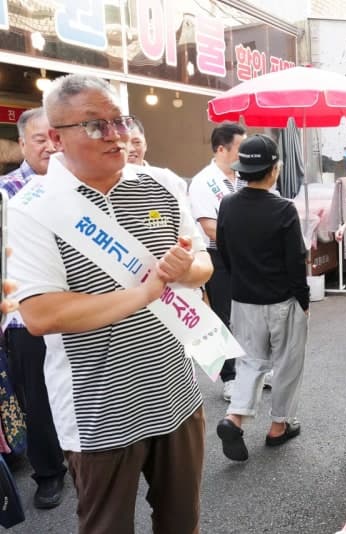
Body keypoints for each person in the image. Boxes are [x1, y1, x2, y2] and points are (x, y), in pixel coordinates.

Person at [9, 74, 212, 533]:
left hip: (175, 393)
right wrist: (143, 292)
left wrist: (184, 269)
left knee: (183, 521)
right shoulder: (32, 208)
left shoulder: (159, 183)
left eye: (120, 120)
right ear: (57, 138)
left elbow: (202, 264)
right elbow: (41, 314)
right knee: (106, 526)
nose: (118, 135)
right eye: (97, 125)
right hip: (97, 409)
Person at [215, 135, 309, 461]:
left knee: (249, 362)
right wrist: (304, 299)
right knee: (286, 364)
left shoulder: (227, 204)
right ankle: (278, 426)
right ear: (273, 170)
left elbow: (224, 253)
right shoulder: (283, 209)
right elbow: (296, 261)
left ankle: (234, 417)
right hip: (282, 300)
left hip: (243, 300)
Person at [0, 107, 67, 510]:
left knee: (82, 391)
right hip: (27, 316)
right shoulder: (6, 191)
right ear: (22, 143)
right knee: (39, 398)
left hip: (79, 310)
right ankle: (48, 473)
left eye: (53, 137)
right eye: (38, 139)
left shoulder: (75, 185)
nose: (48, 146)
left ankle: (83, 456)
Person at [188, 121, 246, 401]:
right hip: (219, 256)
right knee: (223, 316)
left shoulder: (244, 177)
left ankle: (252, 368)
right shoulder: (204, 182)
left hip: (246, 255)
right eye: (239, 147)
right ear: (221, 149)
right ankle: (230, 376)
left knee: (248, 314)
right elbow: (210, 227)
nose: (244, 153)